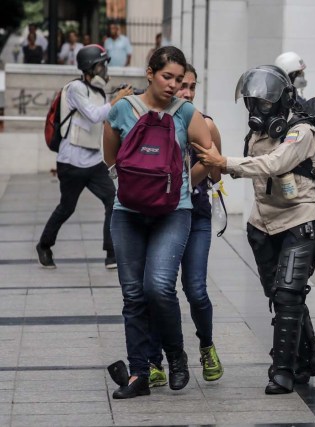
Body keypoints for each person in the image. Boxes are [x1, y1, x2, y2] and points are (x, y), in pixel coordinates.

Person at [192, 65, 315, 395]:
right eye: (251, 104)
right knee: (280, 297)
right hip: (262, 225)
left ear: (281, 101)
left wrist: (225, 163)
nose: (257, 111)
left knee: (288, 294)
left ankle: (283, 370)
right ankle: (308, 360)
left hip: (298, 221)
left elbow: (275, 164)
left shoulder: (301, 131)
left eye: (263, 104)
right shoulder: (257, 133)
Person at [103, 46, 213, 399]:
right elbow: (110, 156)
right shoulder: (122, 109)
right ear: (149, 72)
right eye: (168, 77)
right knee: (133, 294)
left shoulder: (187, 113)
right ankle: (139, 375)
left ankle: (176, 355)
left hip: (173, 213)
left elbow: (209, 157)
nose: (173, 85)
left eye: (179, 79)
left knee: (159, 286)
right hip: (128, 213)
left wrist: (182, 184)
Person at [146, 63, 224, 388]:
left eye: (192, 86)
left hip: (197, 216)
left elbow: (218, 172)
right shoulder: (153, 124)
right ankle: (154, 359)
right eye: (182, 86)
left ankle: (206, 345)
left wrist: (197, 169)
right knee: (157, 288)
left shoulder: (203, 123)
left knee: (195, 289)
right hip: (161, 217)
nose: (187, 92)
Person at [36, 44, 132, 269]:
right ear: (90, 67)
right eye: (101, 65)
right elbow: (94, 115)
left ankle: (111, 254)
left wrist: (124, 97)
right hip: (70, 162)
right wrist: (117, 99)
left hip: (93, 162)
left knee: (113, 200)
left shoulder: (98, 91)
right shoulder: (74, 89)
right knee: (67, 207)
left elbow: (108, 113)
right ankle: (44, 245)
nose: (104, 70)